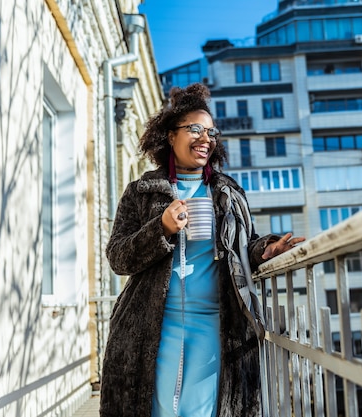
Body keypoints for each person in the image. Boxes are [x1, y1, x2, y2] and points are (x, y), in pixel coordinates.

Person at [100, 83, 305, 417]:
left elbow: (244, 245)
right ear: (170, 136)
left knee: (201, 410)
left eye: (212, 132)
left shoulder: (228, 193)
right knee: (157, 409)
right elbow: (118, 257)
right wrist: (161, 229)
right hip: (154, 324)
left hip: (213, 324)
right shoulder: (142, 191)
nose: (206, 138)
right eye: (195, 129)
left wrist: (265, 250)